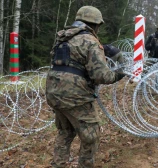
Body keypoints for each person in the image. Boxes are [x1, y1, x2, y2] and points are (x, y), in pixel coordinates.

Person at [46, 6, 126, 168]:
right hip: (75, 97)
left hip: (54, 92)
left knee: (65, 133)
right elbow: (101, 76)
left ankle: (58, 164)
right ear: (95, 25)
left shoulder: (62, 38)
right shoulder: (90, 41)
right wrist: (119, 73)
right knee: (91, 136)